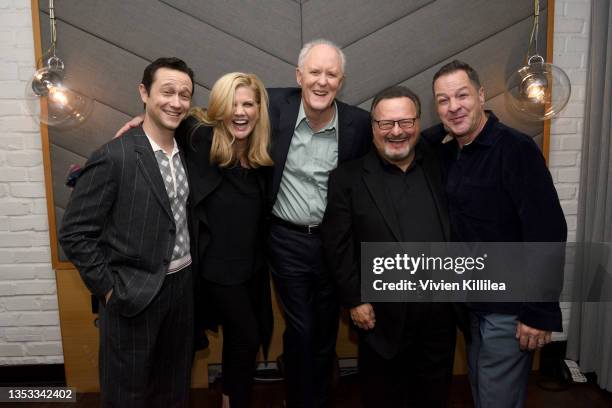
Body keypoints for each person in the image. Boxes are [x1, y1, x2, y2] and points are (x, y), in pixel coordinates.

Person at [426, 60, 567, 408]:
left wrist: (539, 311)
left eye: (462, 95)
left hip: (509, 309)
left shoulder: (515, 149)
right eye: (443, 101)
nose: (453, 106)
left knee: (496, 400)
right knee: (482, 391)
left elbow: (547, 232)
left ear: (481, 95)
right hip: (471, 305)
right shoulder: (449, 151)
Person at [59, 57, 196, 407]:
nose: (176, 102)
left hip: (181, 290)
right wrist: (108, 290)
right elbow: (74, 233)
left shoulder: (188, 152)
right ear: (144, 93)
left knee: (174, 386)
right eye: (167, 92)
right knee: (127, 393)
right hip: (132, 294)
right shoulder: (114, 156)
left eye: (185, 94)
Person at [321, 86, 462, 407]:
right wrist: (355, 299)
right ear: (373, 128)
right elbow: (337, 246)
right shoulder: (347, 178)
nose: (396, 131)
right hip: (381, 319)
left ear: (418, 123)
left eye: (405, 122)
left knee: (435, 395)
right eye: (386, 124)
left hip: (439, 317)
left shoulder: (441, 164)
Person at [266, 39, 372, 407]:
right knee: (301, 328)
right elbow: (219, 111)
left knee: (326, 329)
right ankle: (299, 398)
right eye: (314, 72)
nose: (322, 81)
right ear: (299, 76)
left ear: (341, 82)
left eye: (331, 74)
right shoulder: (271, 106)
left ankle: (318, 394)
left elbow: (402, 138)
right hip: (286, 240)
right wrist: (147, 119)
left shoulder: (358, 124)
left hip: (334, 245)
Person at [178, 72, 274, 408]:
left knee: (241, 339)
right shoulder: (200, 140)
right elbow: (172, 119)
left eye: (248, 103)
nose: (241, 112)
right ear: (219, 108)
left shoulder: (262, 160)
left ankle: (231, 400)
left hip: (252, 268)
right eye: (232, 104)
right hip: (217, 271)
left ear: (259, 110)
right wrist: (139, 120)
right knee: (246, 338)